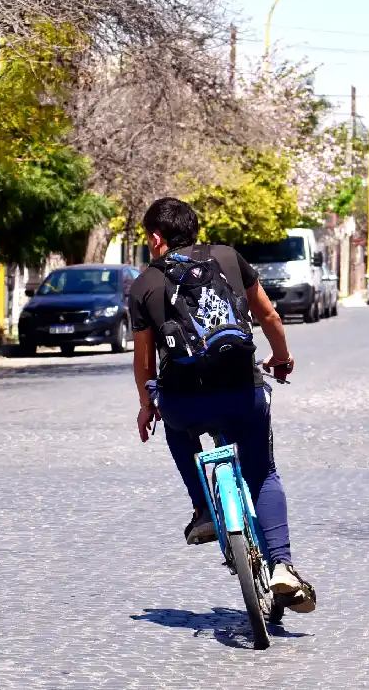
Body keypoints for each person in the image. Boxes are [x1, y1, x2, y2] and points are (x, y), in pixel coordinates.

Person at [130, 197, 316, 614]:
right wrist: (281, 359)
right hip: (241, 392)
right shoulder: (230, 258)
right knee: (262, 472)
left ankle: (202, 509)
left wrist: (147, 405)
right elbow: (269, 317)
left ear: (156, 238)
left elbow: (143, 361)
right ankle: (282, 564)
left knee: (177, 427)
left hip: (184, 400)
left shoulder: (145, 283)